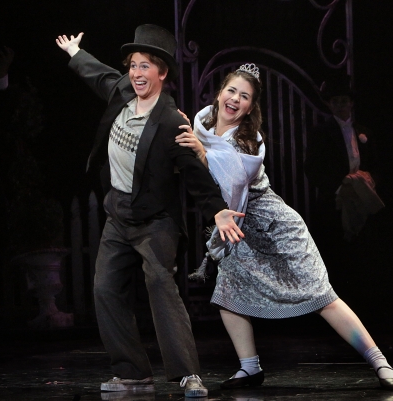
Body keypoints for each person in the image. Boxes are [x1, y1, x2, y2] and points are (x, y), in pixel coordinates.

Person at [175, 64, 393, 390]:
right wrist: (195, 142)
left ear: (251, 107)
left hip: (274, 225)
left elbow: (232, 178)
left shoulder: (250, 140)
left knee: (321, 295)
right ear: (220, 92)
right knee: (227, 295)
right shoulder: (203, 124)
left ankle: (379, 361)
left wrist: (202, 154)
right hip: (240, 228)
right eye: (231, 91)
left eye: (244, 96)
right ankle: (250, 368)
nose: (235, 99)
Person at [56, 25, 244, 398]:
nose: (137, 73)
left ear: (162, 73)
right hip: (118, 215)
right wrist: (76, 53)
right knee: (105, 288)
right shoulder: (122, 92)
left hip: (156, 221)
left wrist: (218, 212)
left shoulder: (172, 121)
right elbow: (99, 75)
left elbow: (194, 175)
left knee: (160, 284)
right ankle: (131, 373)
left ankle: (188, 373)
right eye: (133, 65)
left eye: (145, 66)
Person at [304, 74, 383, 242]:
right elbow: (312, 169)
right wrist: (340, 188)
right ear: (329, 104)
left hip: (361, 197)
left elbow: (375, 165)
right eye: (335, 101)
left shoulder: (364, 132)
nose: (340, 105)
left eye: (344, 101)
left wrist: (368, 182)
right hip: (334, 203)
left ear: (351, 103)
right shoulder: (320, 133)